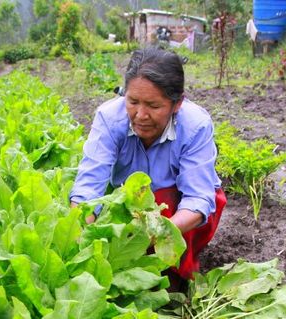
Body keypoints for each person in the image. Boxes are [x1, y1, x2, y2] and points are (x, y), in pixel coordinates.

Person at [69, 48, 226, 283]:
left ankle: (178, 278)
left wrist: (157, 233)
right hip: (130, 204)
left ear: (177, 104)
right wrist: (83, 240)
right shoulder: (109, 118)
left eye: (153, 106)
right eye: (132, 102)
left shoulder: (195, 126)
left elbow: (198, 200)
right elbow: (88, 190)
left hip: (176, 210)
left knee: (170, 204)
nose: (140, 115)